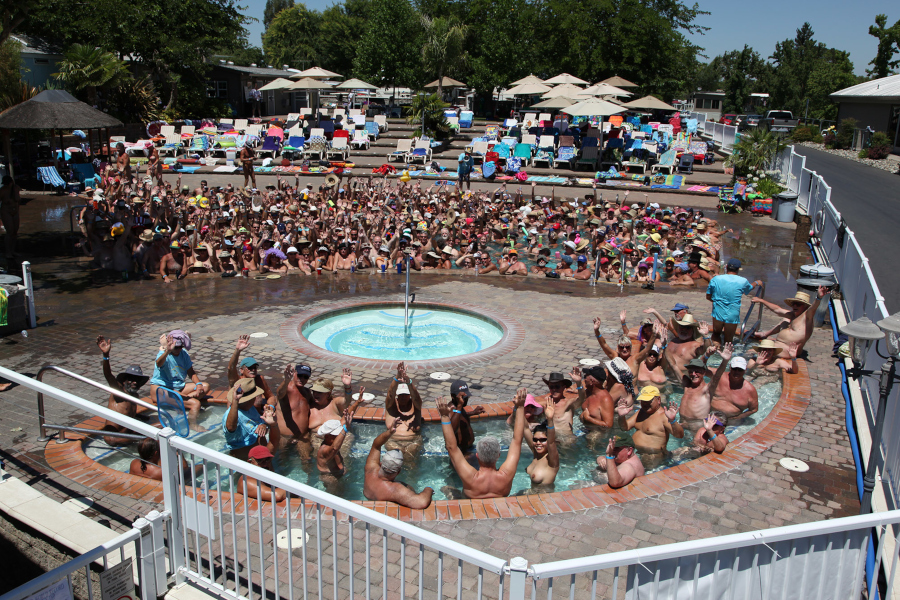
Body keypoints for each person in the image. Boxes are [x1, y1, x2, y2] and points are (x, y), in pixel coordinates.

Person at [437, 389, 526, 499]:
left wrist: (444, 416)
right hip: (499, 506)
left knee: (447, 488)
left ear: (477, 456)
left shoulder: (471, 477)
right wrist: (521, 407)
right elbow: (517, 440)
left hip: (471, 508)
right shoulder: (506, 475)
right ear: (498, 455)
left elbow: (451, 447)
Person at [363, 420, 433, 509]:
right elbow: (422, 503)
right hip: (383, 513)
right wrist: (429, 489)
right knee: (407, 487)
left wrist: (389, 432)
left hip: (368, 501)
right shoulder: (395, 489)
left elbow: (376, 445)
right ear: (399, 471)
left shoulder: (371, 469)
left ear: (381, 463)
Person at [616, 385, 684, 464]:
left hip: (652, 455)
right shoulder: (641, 412)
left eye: (648, 401)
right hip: (635, 452)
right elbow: (625, 427)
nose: (645, 404)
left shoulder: (664, 416)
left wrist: (672, 420)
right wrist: (621, 416)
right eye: (643, 401)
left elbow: (679, 435)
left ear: (658, 400)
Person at [149, 331, 208, 420]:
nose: (178, 349)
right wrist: (167, 351)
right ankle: (192, 425)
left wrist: (198, 384)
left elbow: (191, 372)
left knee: (205, 386)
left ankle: (178, 404)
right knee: (195, 404)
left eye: (180, 347)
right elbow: (159, 363)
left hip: (177, 387)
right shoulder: (163, 354)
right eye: (176, 347)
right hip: (162, 389)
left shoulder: (183, 354)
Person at [751, 286, 826, 356]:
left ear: (805, 306)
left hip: (789, 350)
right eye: (794, 304)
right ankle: (764, 334)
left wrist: (819, 298)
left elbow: (813, 308)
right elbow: (777, 309)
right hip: (780, 344)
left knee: (751, 351)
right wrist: (761, 300)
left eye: (798, 304)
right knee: (785, 321)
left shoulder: (807, 317)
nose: (795, 306)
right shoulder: (793, 315)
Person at [706, 258, 761, 346]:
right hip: (733, 313)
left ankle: (715, 351)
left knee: (716, 334)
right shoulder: (743, 281)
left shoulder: (715, 279)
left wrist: (718, 301)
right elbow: (749, 288)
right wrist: (756, 282)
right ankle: (726, 356)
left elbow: (708, 296)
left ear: (726, 267)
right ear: (738, 269)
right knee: (728, 341)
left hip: (718, 311)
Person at [222, 378, 280, 459]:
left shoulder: (250, 408)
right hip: (245, 462)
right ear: (251, 398)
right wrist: (235, 400)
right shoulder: (232, 414)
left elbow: (258, 427)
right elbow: (231, 427)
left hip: (261, 458)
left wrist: (264, 425)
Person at [679, 344, 733, 429]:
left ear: (704, 373)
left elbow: (717, 376)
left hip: (696, 428)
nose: (693, 374)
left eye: (697, 371)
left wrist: (725, 361)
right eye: (691, 371)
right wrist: (664, 347)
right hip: (681, 424)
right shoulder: (686, 386)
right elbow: (673, 365)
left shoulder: (707, 390)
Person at [227, 335, 276, 410]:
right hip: (239, 418)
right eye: (250, 368)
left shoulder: (259, 380)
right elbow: (231, 368)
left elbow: (271, 396)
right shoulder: (237, 381)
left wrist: (271, 407)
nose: (253, 370)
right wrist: (237, 350)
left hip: (256, 418)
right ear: (241, 370)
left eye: (255, 367)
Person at [384, 362, 424, 449]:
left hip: (413, 442)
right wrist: (397, 377)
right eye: (401, 395)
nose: (403, 397)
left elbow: (417, 398)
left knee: (411, 459)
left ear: (410, 395)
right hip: (393, 441)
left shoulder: (415, 406)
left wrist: (409, 382)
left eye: (406, 394)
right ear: (397, 395)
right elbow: (390, 394)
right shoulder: (391, 406)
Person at [711, 355, 758, 422]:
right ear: (730, 367)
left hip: (730, 422)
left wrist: (739, 417)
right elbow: (701, 369)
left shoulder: (750, 390)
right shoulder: (719, 376)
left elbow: (754, 409)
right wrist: (706, 355)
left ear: (745, 370)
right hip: (710, 416)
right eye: (734, 369)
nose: (737, 372)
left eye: (740, 369)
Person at [525, 403, 559, 486]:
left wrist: (550, 420)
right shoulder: (536, 454)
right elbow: (525, 428)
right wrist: (519, 408)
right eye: (535, 440)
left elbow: (551, 442)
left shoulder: (552, 460)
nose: (538, 443)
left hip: (544, 497)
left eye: (542, 440)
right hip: (531, 494)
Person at [446, 379, 485, 452]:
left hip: (468, 449)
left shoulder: (457, 408)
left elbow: (459, 416)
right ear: (453, 396)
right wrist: (460, 405)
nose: (465, 400)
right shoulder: (451, 409)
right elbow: (450, 430)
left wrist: (473, 412)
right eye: (462, 397)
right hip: (461, 453)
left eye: (466, 397)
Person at [316, 410, 353, 476]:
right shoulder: (324, 449)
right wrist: (345, 429)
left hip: (338, 474)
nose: (339, 437)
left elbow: (342, 421)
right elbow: (334, 448)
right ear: (327, 436)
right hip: (330, 478)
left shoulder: (329, 442)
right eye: (336, 436)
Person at [579, 365, 615, 430]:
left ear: (592, 382)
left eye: (585, 377)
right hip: (586, 428)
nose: (584, 380)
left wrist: (588, 418)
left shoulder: (605, 400)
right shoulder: (589, 392)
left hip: (598, 432)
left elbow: (608, 425)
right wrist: (578, 382)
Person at [0, 175, 21, 258]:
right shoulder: (2, 190)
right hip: (6, 211)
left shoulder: (16, 188)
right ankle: (8, 252)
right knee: (10, 231)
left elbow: (18, 199)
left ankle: (13, 250)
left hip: (15, 211)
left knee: (15, 231)